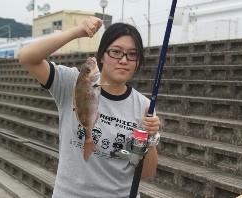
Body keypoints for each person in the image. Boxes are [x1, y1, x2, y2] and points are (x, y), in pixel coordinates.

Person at [17, 16, 160, 198]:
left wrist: (152, 138)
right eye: (116, 52)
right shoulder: (72, 82)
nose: (124, 60)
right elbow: (26, 57)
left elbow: (147, 173)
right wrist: (76, 32)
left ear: (138, 61)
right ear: (102, 55)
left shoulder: (145, 107)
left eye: (133, 55)